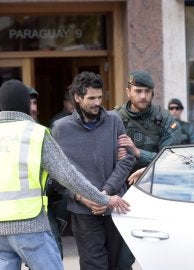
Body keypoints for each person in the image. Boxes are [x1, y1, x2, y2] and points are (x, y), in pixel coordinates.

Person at [0, 79, 130, 270]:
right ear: (26, 103)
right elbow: (68, 176)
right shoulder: (35, 134)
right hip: (31, 230)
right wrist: (104, 199)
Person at [51, 71, 135, 270]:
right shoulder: (61, 129)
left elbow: (126, 160)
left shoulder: (115, 121)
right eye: (91, 98)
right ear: (77, 98)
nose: (97, 102)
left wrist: (103, 195)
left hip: (115, 208)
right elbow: (56, 173)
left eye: (99, 97)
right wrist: (80, 197)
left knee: (118, 265)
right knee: (93, 266)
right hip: (83, 212)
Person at [115, 70, 182, 270]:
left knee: (158, 251)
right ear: (128, 91)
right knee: (120, 253)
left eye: (147, 91)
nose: (143, 96)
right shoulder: (114, 118)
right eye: (138, 91)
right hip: (121, 191)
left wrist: (138, 154)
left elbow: (172, 160)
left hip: (155, 192)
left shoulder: (165, 119)